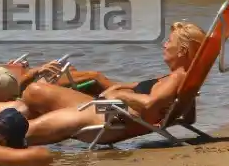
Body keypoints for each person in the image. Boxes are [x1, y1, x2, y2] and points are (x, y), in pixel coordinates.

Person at [20, 21, 207, 147]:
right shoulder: (180, 78)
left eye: (169, 41)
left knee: (30, 102)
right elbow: (188, 119)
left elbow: (149, 104)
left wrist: (118, 95)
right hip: (108, 111)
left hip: (104, 118)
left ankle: (8, 138)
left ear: (182, 51)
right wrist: (113, 88)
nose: (164, 45)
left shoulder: (177, 78)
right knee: (33, 97)